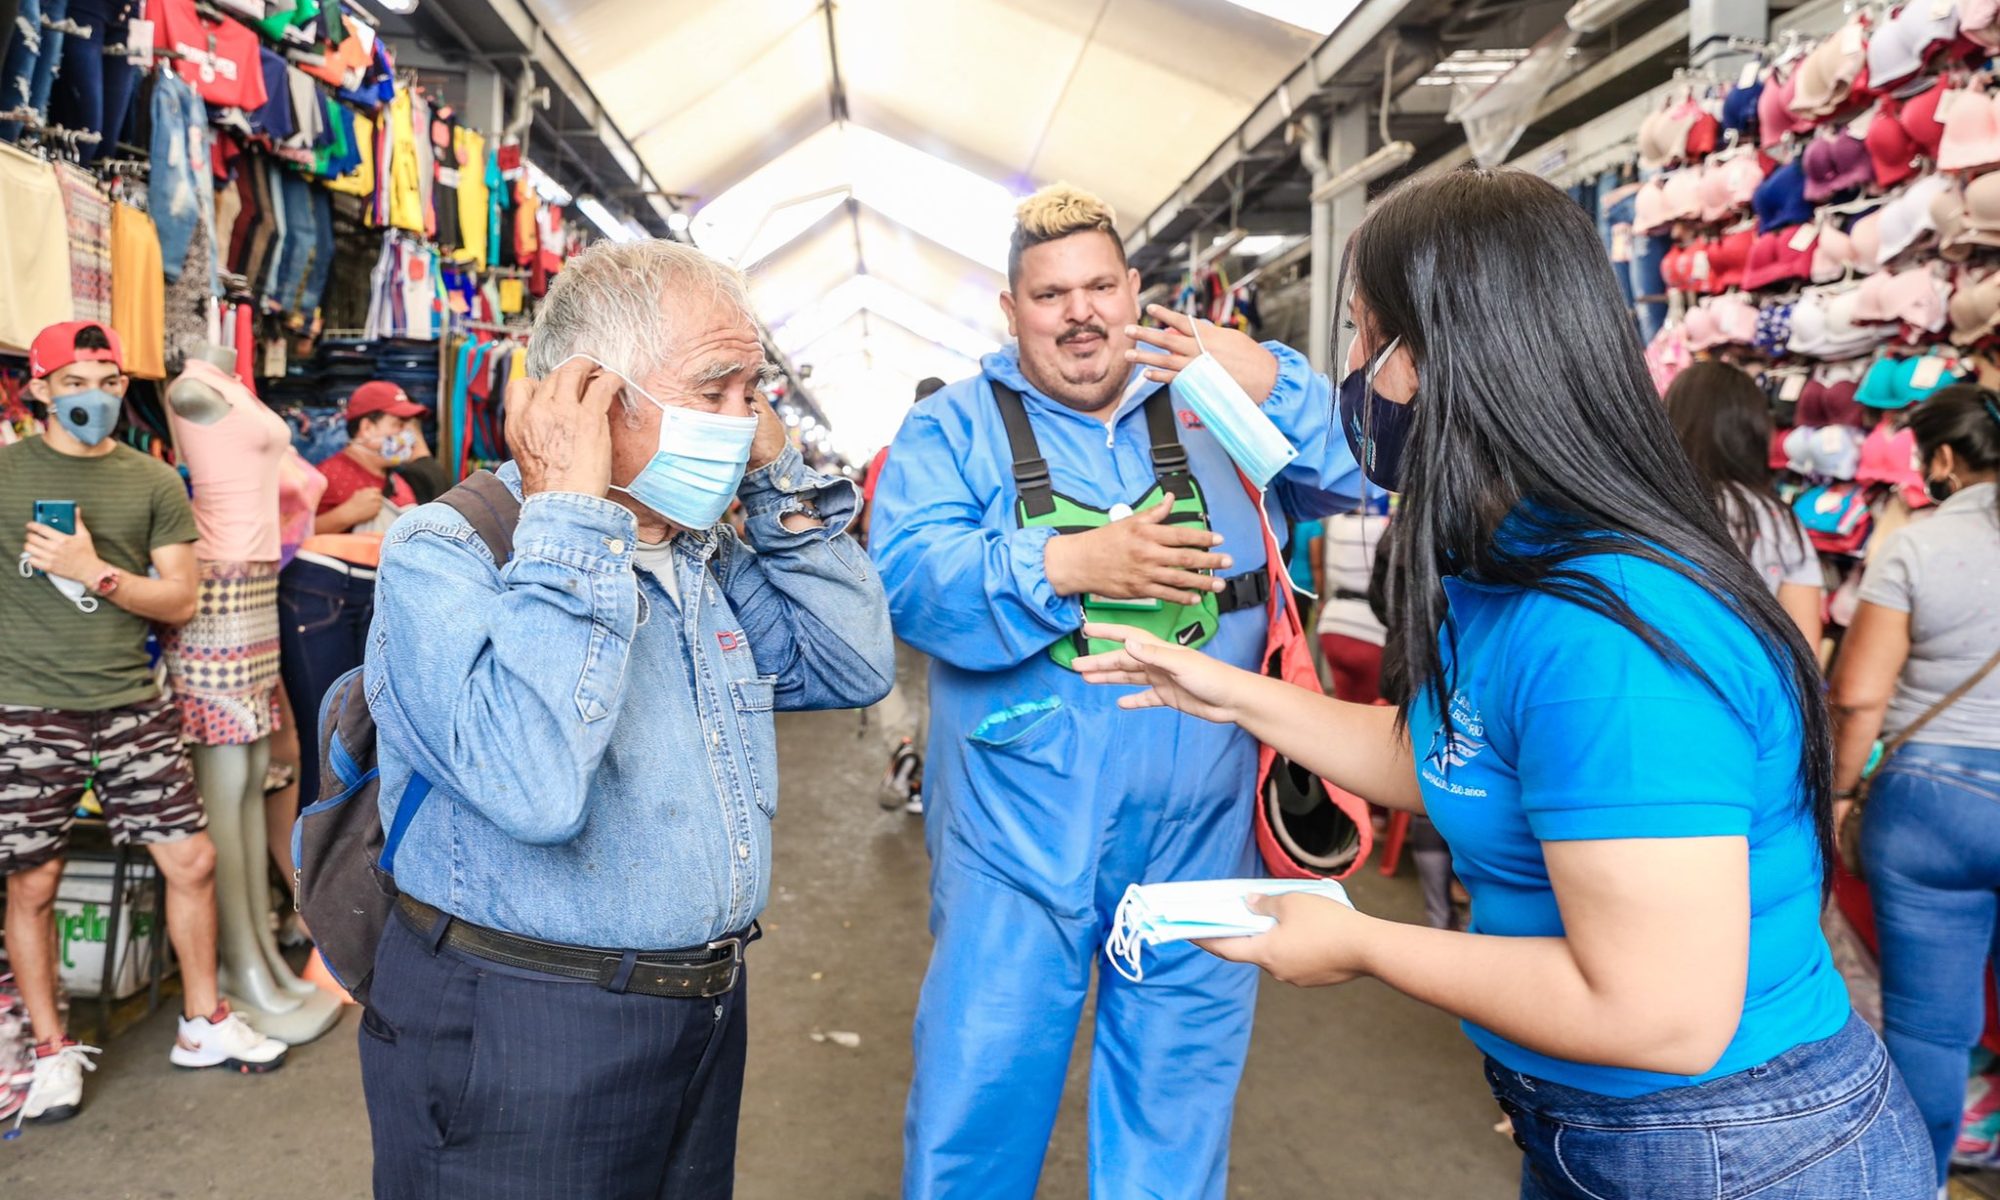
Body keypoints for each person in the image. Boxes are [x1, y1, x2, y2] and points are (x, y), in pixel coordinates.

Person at [1072, 170, 1931, 1200]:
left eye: (1359, 339)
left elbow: (1657, 1012)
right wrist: (1221, 690)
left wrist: (1358, 942)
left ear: (1445, 357)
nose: (1344, 376)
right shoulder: (1513, 558)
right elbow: (1442, 752)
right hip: (1603, 1126)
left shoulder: (1609, 637)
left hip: (1731, 1146)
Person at [357, 239, 893, 1198]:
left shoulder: (697, 557)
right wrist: (571, 511)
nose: (745, 421)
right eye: (717, 389)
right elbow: (535, 788)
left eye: (753, 392)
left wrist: (773, 480)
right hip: (524, 1036)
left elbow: (849, 663)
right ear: (596, 396)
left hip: (697, 1016)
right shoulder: (447, 551)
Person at [870, 183, 1363, 1198]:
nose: (1081, 312)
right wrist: (1064, 566)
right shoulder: (950, 431)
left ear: (1135, 291)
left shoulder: (1210, 402)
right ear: (1011, 311)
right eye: (1051, 295)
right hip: (1015, 837)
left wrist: (1270, 376)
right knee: (978, 1100)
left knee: (1176, 1104)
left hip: (1200, 830)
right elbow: (908, 585)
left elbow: (1366, 471)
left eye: (1100, 286)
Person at [1, 321, 287, 1124]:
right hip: (26, 706)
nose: (94, 394)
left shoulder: (153, 482)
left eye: (108, 378)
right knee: (34, 881)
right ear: (40, 388)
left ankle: (202, 1022)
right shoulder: (7, 473)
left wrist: (91, 570)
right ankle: (53, 1052)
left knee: (191, 862)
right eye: (75, 379)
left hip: (131, 700)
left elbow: (180, 599)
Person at [1830, 385, 2000, 1185]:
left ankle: (1921, 1180)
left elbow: (1860, 694)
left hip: (1934, 802)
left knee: (1931, 1031)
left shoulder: (1916, 547)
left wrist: (1835, 794)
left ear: (1940, 459)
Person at [1665, 360, 1824, 647]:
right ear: (1755, 429)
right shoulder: (1774, 519)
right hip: (1748, 685)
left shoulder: (1653, 506)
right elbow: (1804, 646)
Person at [860, 376, 946, 813]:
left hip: (892, 578)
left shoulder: (887, 456)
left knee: (888, 673)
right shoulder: (960, 454)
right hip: (942, 584)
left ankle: (902, 745)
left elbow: (872, 519)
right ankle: (927, 773)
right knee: (935, 679)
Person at [313, 380, 427, 535]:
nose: (407, 435)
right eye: (398, 424)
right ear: (367, 428)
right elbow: (289, 538)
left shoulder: (399, 481)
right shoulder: (325, 477)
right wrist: (343, 516)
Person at [1314, 504, 1390, 703]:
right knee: (1373, 710)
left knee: (1344, 705)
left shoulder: (1335, 523)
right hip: (1369, 629)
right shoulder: (1382, 526)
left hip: (1333, 624)